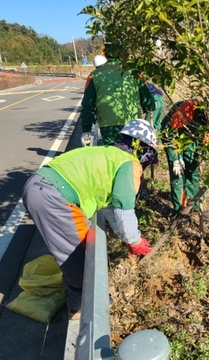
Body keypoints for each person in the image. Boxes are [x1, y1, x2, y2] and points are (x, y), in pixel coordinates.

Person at [22, 119, 159, 320]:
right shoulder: (130, 164)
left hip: (40, 187)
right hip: (53, 197)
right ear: (145, 150)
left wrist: (127, 237)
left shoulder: (108, 154)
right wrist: (135, 241)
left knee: (74, 250)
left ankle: (75, 296)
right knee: (83, 255)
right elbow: (124, 211)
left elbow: (112, 208)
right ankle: (80, 309)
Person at [160, 97, 209, 218]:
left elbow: (204, 139)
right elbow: (169, 132)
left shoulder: (208, 121)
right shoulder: (187, 108)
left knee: (193, 172)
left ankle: (196, 207)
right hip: (173, 138)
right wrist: (175, 157)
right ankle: (179, 210)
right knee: (178, 175)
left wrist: (200, 156)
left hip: (190, 139)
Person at [80, 42, 156, 145]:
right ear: (122, 55)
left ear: (106, 55)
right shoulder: (134, 72)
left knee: (113, 156)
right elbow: (148, 100)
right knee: (132, 155)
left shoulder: (95, 75)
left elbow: (88, 105)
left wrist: (86, 129)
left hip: (108, 125)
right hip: (133, 124)